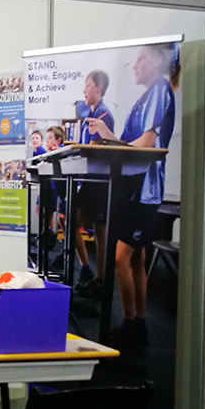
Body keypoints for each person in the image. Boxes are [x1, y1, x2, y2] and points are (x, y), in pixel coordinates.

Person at [87, 41, 179, 347]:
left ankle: (130, 325)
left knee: (120, 258)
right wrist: (107, 136)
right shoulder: (147, 96)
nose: (135, 66)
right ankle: (138, 324)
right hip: (136, 189)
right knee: (137, 258)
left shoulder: (159, 89)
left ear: (156, 59)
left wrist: (107, 136)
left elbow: (146, 144)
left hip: (144, 190)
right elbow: (129, 144)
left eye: (140, 59)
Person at [73, 71, 115, 292]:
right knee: (69, 220)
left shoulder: (103, 115)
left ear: (98, 87)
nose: (84, 90)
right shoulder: (91, 114)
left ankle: (100, 279)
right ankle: (87, 269)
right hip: (88, 180)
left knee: (101, 232)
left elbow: (94, 147)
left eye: (87, 85)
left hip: (99, 181)